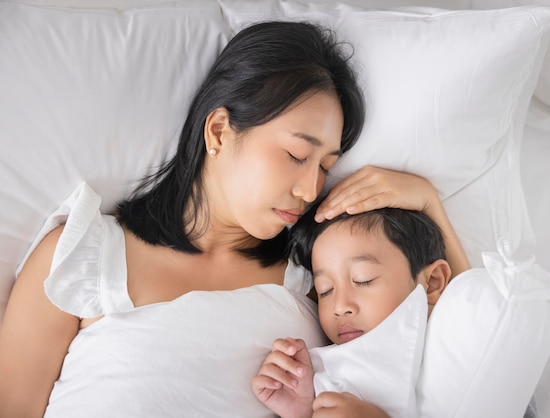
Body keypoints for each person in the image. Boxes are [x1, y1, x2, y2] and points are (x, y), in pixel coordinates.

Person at [0, 21, 469, 418]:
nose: (310, 190)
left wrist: (428, 205)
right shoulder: (81, 259)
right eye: (296, 154)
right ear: (220, 130)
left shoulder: (319, 281)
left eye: (325, 166)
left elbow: (467, 361)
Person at [251, 205, 451, 418]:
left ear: (432, 283)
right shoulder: (320, 375)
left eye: (363, 279)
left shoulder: (452, 348)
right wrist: (303, 411)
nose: (339, 307)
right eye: (325, 290)